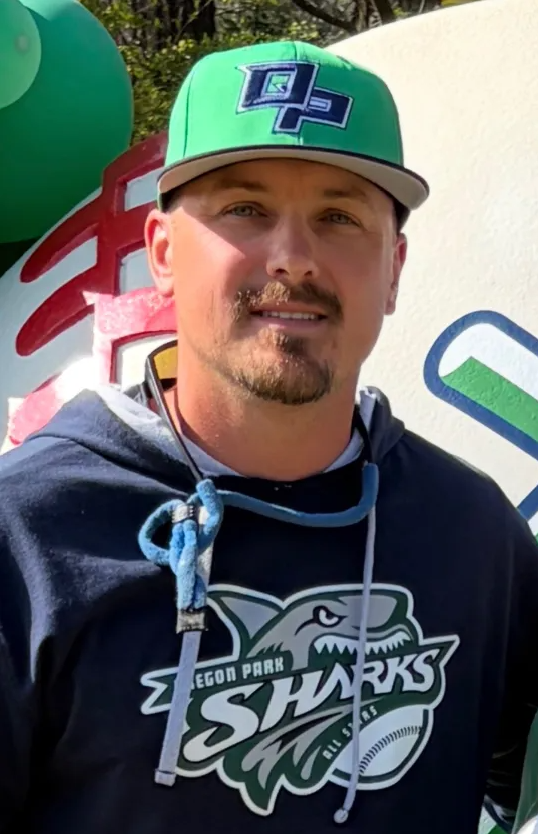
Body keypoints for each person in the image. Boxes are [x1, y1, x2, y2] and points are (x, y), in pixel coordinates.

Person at [0, 38, 536, 834]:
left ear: (393, 268)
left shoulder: (471, 531)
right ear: (161, 254)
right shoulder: (27, 534)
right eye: (245, 210)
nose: (293, 258)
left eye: (338, 216)